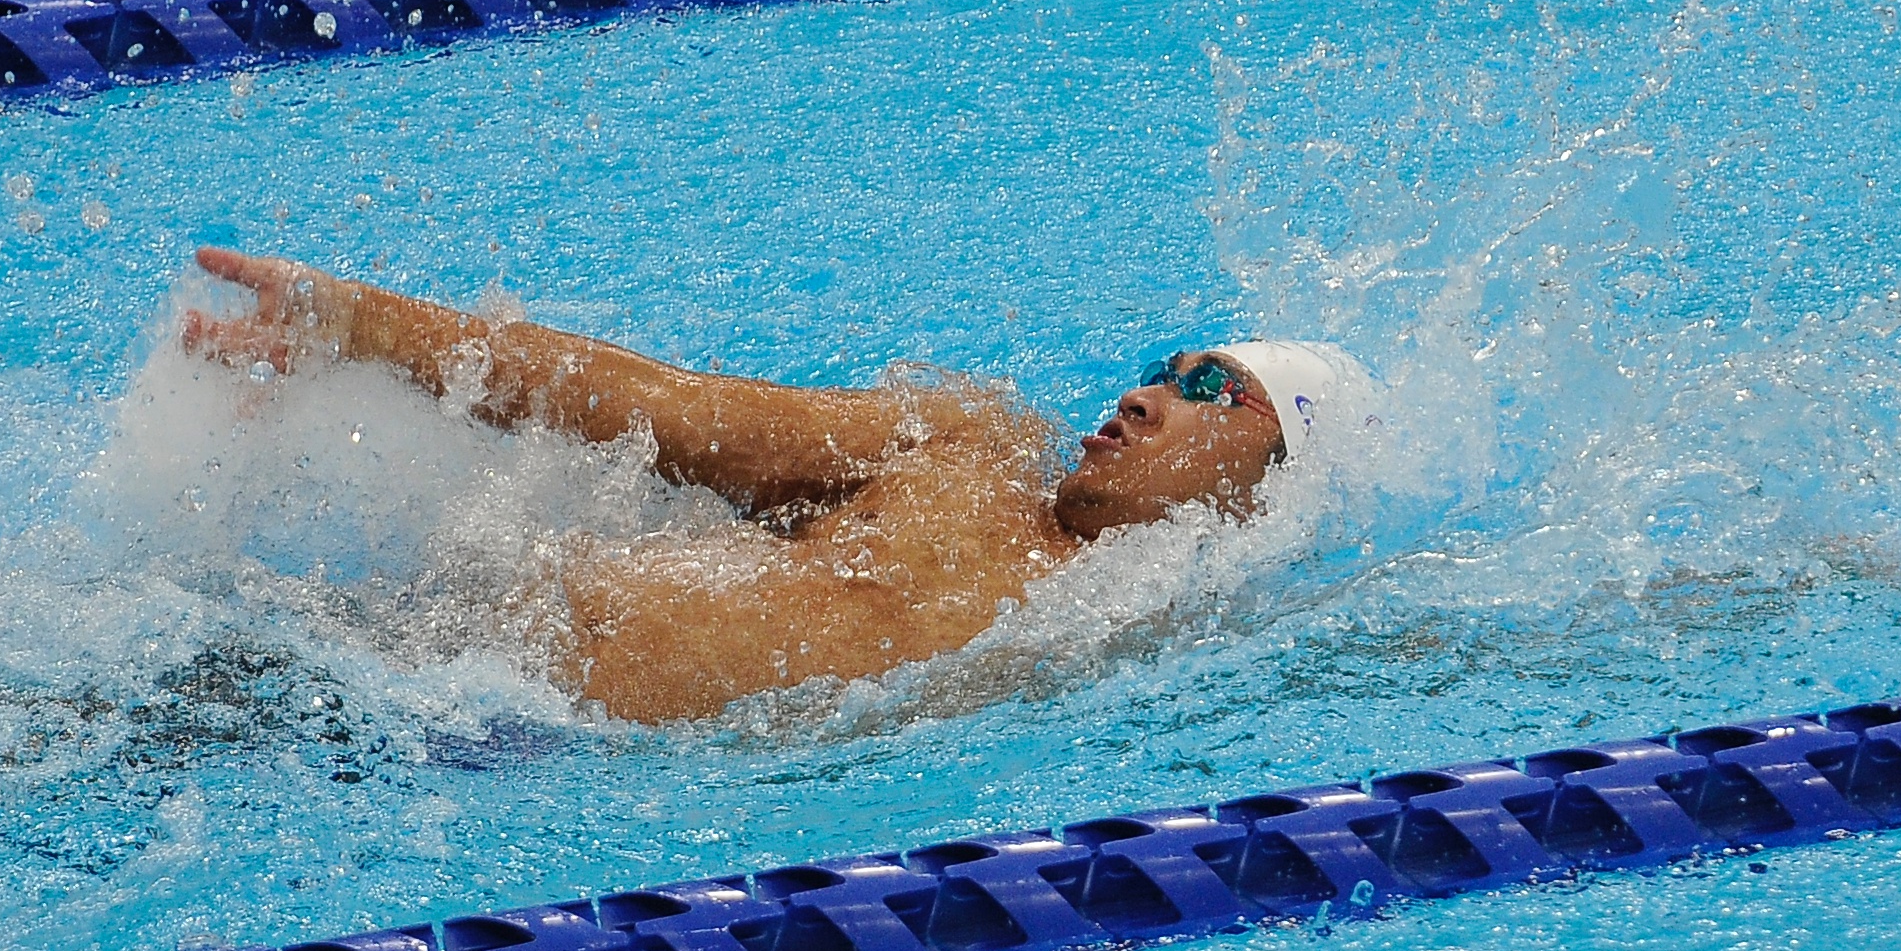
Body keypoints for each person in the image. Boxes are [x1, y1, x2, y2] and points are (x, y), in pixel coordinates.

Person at [178, 246, 1375, 723]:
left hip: (491, 753)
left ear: (1273, 485)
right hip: (406, 666)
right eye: (1158, 374)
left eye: (1213, 393)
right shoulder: (966, 449)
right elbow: (665, 412)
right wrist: (364, 324)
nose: (1141, 399)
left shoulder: (1189, 638)